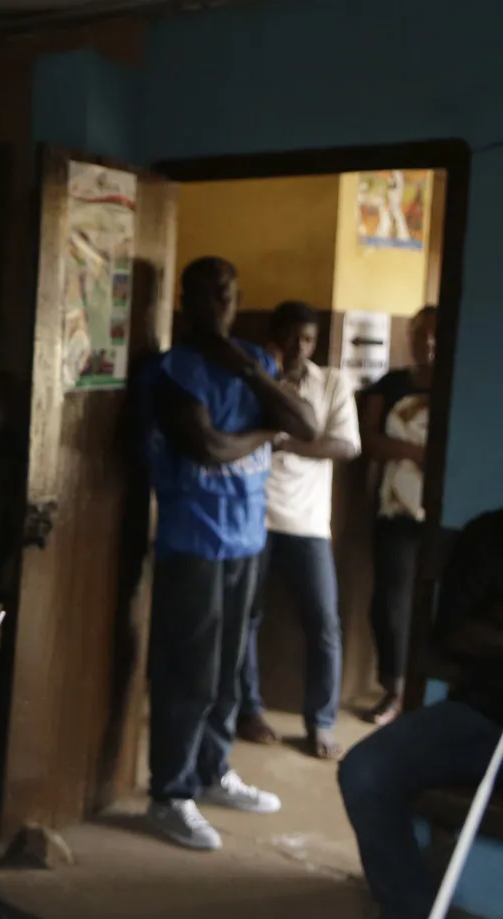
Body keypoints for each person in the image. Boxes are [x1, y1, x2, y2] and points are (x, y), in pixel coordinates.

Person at [138, 256, 320, 851]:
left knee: (228, 674)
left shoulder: (257, 361)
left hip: (249, 541)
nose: (221, 300)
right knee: (188, 674)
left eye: (230, 291)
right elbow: (208, 447)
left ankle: (213, 773)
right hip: (193, 543)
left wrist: (251, 371)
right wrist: (269, 430)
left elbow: (308, 426)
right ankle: (170, 794)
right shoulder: (173, 370)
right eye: (210, 291)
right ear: (186, 300)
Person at [339, 507, 503, 919]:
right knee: (365, 771)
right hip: (482, 716)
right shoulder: (491, 534)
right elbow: (454, 633)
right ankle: (410, 915)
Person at [238, 302, 361, 759]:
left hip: (308, 523)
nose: (298, 347)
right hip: (255, 517)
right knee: (246, 617)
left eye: (307, 339)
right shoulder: (256, 378)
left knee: (324, 625)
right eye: (291, 337)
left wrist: (287, 441)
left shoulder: (330, 383)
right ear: (275, 337)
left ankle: (321, 722)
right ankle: (248, 710)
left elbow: (346, 444)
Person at [360, 305, 439, 725]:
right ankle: (394, 689)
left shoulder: (460, 384)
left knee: (437, 604)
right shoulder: (391, 386)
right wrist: (415, 453)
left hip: (441, 515)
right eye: (419, 334)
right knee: (390, 604)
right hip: (395, 511)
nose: (426, 343)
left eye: (434, 335)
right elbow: (369, 440)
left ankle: (429, 693)